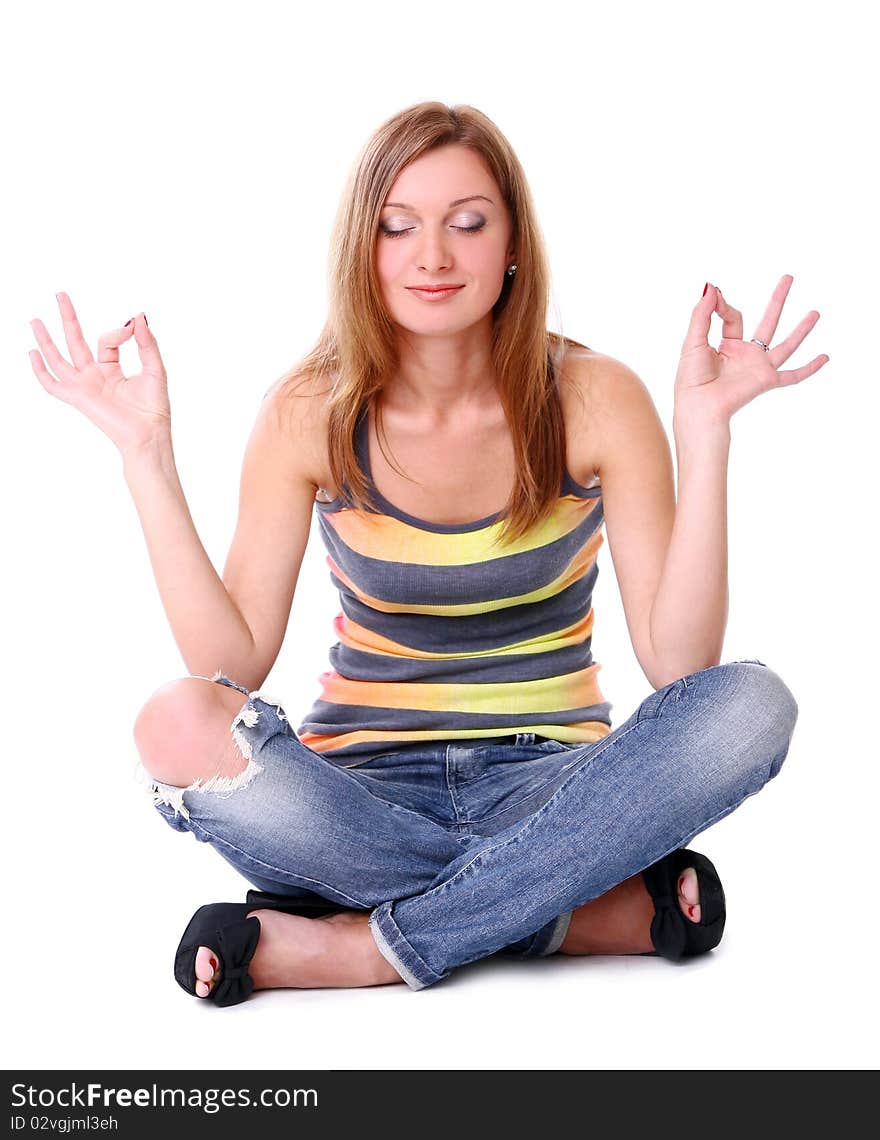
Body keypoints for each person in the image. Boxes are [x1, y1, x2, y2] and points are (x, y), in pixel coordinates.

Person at [29, 102, 824, 1005]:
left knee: (751, 706)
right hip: (359, 799)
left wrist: (704, 430)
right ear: (362, 250)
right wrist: (147, 457)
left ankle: (361, 947)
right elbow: (229, 666)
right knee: (172, 719)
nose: (433, 256)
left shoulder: (596, 397)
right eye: (397, 227)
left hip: (553, 781)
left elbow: (682, 668)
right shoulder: (309, 411)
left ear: (513, 241)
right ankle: (572, 910)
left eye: (468, 223)